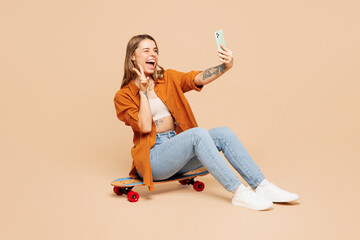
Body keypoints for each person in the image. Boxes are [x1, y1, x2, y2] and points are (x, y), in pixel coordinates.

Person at [114, 34, 299, 210]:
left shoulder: (167, 78)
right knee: (198, 134)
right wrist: (144, 92)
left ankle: (262, 186)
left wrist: (225, 66)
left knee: (223, 133)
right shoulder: (123, 96)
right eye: (146, 50)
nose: (152, 54)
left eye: (155, 50)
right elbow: (145, 126)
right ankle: (239, 192)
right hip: (153, 160)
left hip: (177, 154)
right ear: (132, 56)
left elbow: (198, 78)